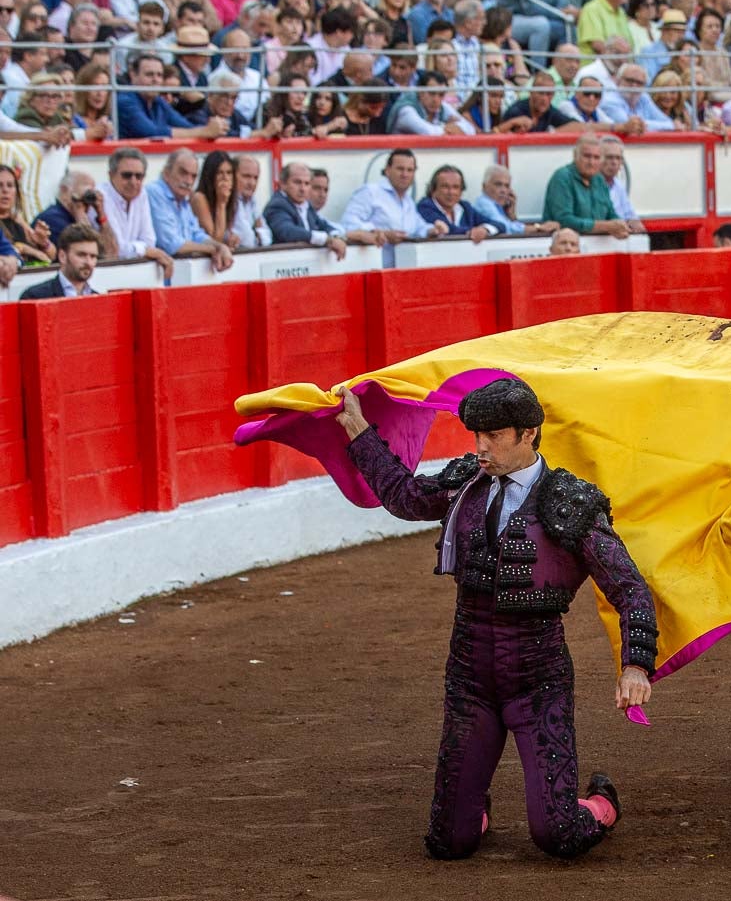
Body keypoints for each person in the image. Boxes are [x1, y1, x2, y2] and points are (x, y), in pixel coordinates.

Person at [335, 377, 656, 860]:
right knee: (449, 843)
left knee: (559, 835)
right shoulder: (466, 482)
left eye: (494, 436)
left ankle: (600, 802)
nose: (481, 448)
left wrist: (635, 665)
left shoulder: (569, 501)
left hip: (538, 680)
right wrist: (355, 424)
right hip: (469, 679)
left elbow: (629, 588)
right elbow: (403, 496)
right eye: (475, 435)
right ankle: (470, 807)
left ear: (529, 433)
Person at [147, 149, 237, 271]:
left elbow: (197, 235)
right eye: (183, 173)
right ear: (166, 173)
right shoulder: (155, 192)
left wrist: (220, 246)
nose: (189, 181)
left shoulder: (183, 199)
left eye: (193, 176)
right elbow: (173, 245)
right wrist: (215, 249)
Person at [342, 149, 451, 243]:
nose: (405, 174)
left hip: (403, 265)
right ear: (387, 170)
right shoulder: (370, 192)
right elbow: (348, 223)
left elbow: (418, 227)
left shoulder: (408, 201)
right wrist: (380, 233)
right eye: (400, 169)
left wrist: (433, 230)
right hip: (375, 264)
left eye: (410, 170)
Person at [99, 147, 175, 279]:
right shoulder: (101, 196)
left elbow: (150, 240)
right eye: (127, 175)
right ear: (111, 175)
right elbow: (118, 249)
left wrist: (140, 249)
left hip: (132, 272)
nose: (133, 182)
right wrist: (145, 250)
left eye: (139, 176)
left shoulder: (141, 194)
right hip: (106, 275)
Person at [118, 54, 226, 140]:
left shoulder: (159, 101)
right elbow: (151, 133)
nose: (155, 80)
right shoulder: (125, 100)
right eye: (149, 75)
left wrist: (213, 128)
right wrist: (204, 131)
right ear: (133, 75)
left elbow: (186, 126)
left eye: (159, 75)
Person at [542, 135, 630, 240]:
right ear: (575, 156)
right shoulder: (562, 177)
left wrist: (619, 224)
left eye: (596, 157)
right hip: (567, 246)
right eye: (587, 156)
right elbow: (564, 220)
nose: (591, 162)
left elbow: (611, 213)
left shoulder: (599, 179)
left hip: (599, 245)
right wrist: (606, 226)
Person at [263, 162, 353, 257]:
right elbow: (288, 232)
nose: (303, 189)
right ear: (283, 184)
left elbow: (323, 225)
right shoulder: (278, 205)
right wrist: (327, 239)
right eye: (297, 182)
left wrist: (336, 236)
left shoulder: (305, 205)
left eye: (307, 183)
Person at [35, 170, 118, 257]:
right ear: (64, 190)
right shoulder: (51, 218)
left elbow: (112, 254)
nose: (89, 198)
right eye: (87, 191)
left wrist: (101, 215)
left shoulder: (80, 218)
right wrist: (79, 213)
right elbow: (93, 255)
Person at [417, 165, 504, 241]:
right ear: (433, 190)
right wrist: (473, 232)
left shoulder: (465, 207)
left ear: (461, 191)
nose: (451, 192)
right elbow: (450, 230)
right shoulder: (424, 207)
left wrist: (485, 229)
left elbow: (500, 225)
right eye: (445, 186)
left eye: (456, 187)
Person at [19, 225, 103, 300]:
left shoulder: (99, 299)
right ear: (62, 256)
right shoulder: (35, 297)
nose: (88, 262)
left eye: (93, 256)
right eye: (81, 255)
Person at [473, 165, 559, 236]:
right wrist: (539, 227)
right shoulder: (483, 203)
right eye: (498, 185)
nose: (503, 190)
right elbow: (505, 227)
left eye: (507, 186)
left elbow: (513, 229)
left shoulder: (500, 207)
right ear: (484, 187)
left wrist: (512, 215)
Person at [598, 136, 645, 232]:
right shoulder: (588, 183)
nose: (614, 162)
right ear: (598, 158)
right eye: (609, 157)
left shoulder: (618, 185)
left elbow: (630, 215)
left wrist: (636, 224)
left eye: (618, 158)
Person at [232, 155, 274, 249]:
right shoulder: (230, 200)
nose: (252, 183)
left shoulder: (252, 200)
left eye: (255, 178)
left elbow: (268, 238)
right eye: (246, 176)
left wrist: (256, 234)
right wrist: (257, 232)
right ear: (232, 175)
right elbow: (247, 240)